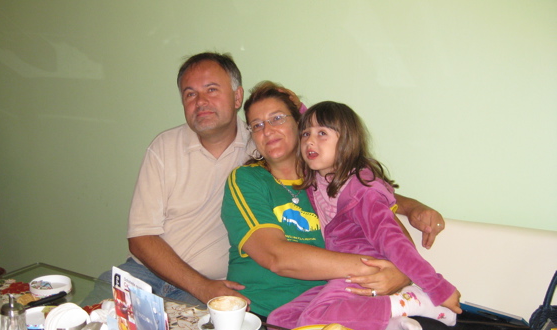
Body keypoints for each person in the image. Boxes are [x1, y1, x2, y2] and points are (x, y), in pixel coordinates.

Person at [101, 52, 446, 308]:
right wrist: (202, 287)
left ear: (237, 97)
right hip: (152, 276)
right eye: (190, 93)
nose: (200, 101)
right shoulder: (166, 146)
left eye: (211, 89)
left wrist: (410, 207)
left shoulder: (266, 143)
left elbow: (350, 181)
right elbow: (140, 238)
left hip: (213, 289)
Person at [221, 81, 457, 330]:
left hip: (339, 307)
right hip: (274, 315)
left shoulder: (321, 179)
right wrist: (377, 270)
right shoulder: (249, 180)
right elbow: (277, 256)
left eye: (277, 118)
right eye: (257, 125)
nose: (268, 130)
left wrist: (409, 217)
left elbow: (372, 203)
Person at [267, 101, 461, 330]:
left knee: (313, 322)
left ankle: (413, 303)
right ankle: (389, 323)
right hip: (343, 272)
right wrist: (294, 104)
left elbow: (394, 241)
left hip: (369, 271)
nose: (310, 141)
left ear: (347, 141)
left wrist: (437, 288)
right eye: (305, 134)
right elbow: (303, 120)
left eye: (322, 133)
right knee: (279, 322)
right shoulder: (319, 178)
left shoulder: (363, 192)